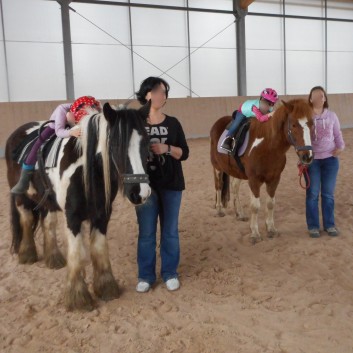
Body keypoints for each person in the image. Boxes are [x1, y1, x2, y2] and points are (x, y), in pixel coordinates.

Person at [135, 77, 189, 293]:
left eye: (164, 92)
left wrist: (167, 148)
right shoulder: (136, 124)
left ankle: (169, 273)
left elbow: (184, 153)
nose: (161, 96)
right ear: (146, 94)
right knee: (146, 232)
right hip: (144, 186)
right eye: (157, 91)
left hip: (171, 184)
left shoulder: (173, 123)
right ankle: (146, 276)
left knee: (170, 232)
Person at [11, 96, 101, 194]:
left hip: (76, 123)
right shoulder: (61, 110)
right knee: (37, 145)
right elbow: (59, 132)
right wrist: (71, 132)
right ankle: (24, 179)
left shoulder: (92, 107)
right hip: (55, 127)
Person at [305, 86, 345, 238]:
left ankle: (329, 225)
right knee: (313, 194)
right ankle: (313, 226)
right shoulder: (306, 117)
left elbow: (338, 134)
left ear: (325, 98)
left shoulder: (332, 116)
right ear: (311, 99)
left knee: (328, 194)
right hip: (312, 161)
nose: (320, 98)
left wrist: (341, 147)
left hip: (330, 160)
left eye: (322, 96)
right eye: (317, 96)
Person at [221, 88, 279, 152]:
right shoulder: (254, 107)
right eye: (265, 101)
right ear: (261, 99)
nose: (267, 106)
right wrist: (270, 114)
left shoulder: (270, 108)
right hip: (243, 111)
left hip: (254, 111)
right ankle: (228, 139)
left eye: (271, 104)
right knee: (236, 124)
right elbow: (261, 118)